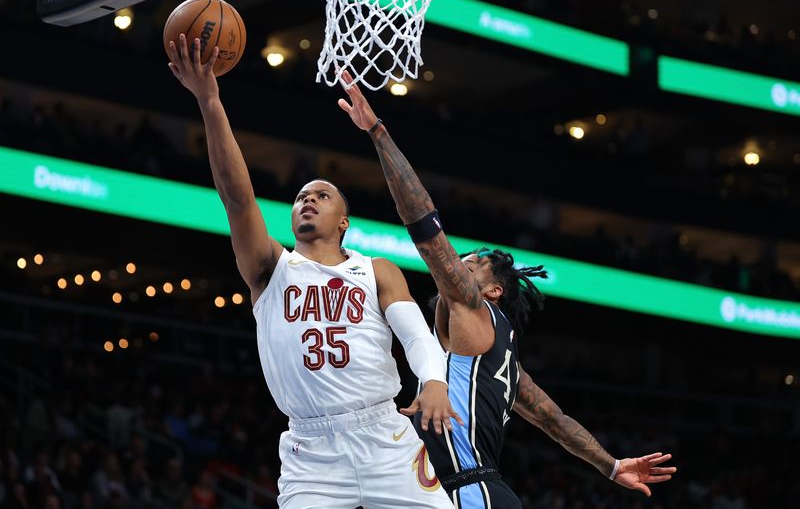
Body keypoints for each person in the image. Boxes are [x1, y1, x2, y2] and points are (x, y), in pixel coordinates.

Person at [338, 71, 678, 508]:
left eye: (473, 265)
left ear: (493, 292)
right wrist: (610, 465)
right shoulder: (505, 364)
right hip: (470, 491)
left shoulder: (473, 308)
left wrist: (378, 132)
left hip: (468, 490)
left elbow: (424, 226)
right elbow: (555, 420)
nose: (462, 262)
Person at [166, 35, 460, 508]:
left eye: (321, 196)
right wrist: (210, 100)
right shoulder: (270, 269)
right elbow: (237, 197)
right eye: (302, 196)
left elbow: (417, 336)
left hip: (384, 435)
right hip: (311, 450)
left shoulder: (375, 269)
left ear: (343, 221)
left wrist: (433, 382)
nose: (308, 200)